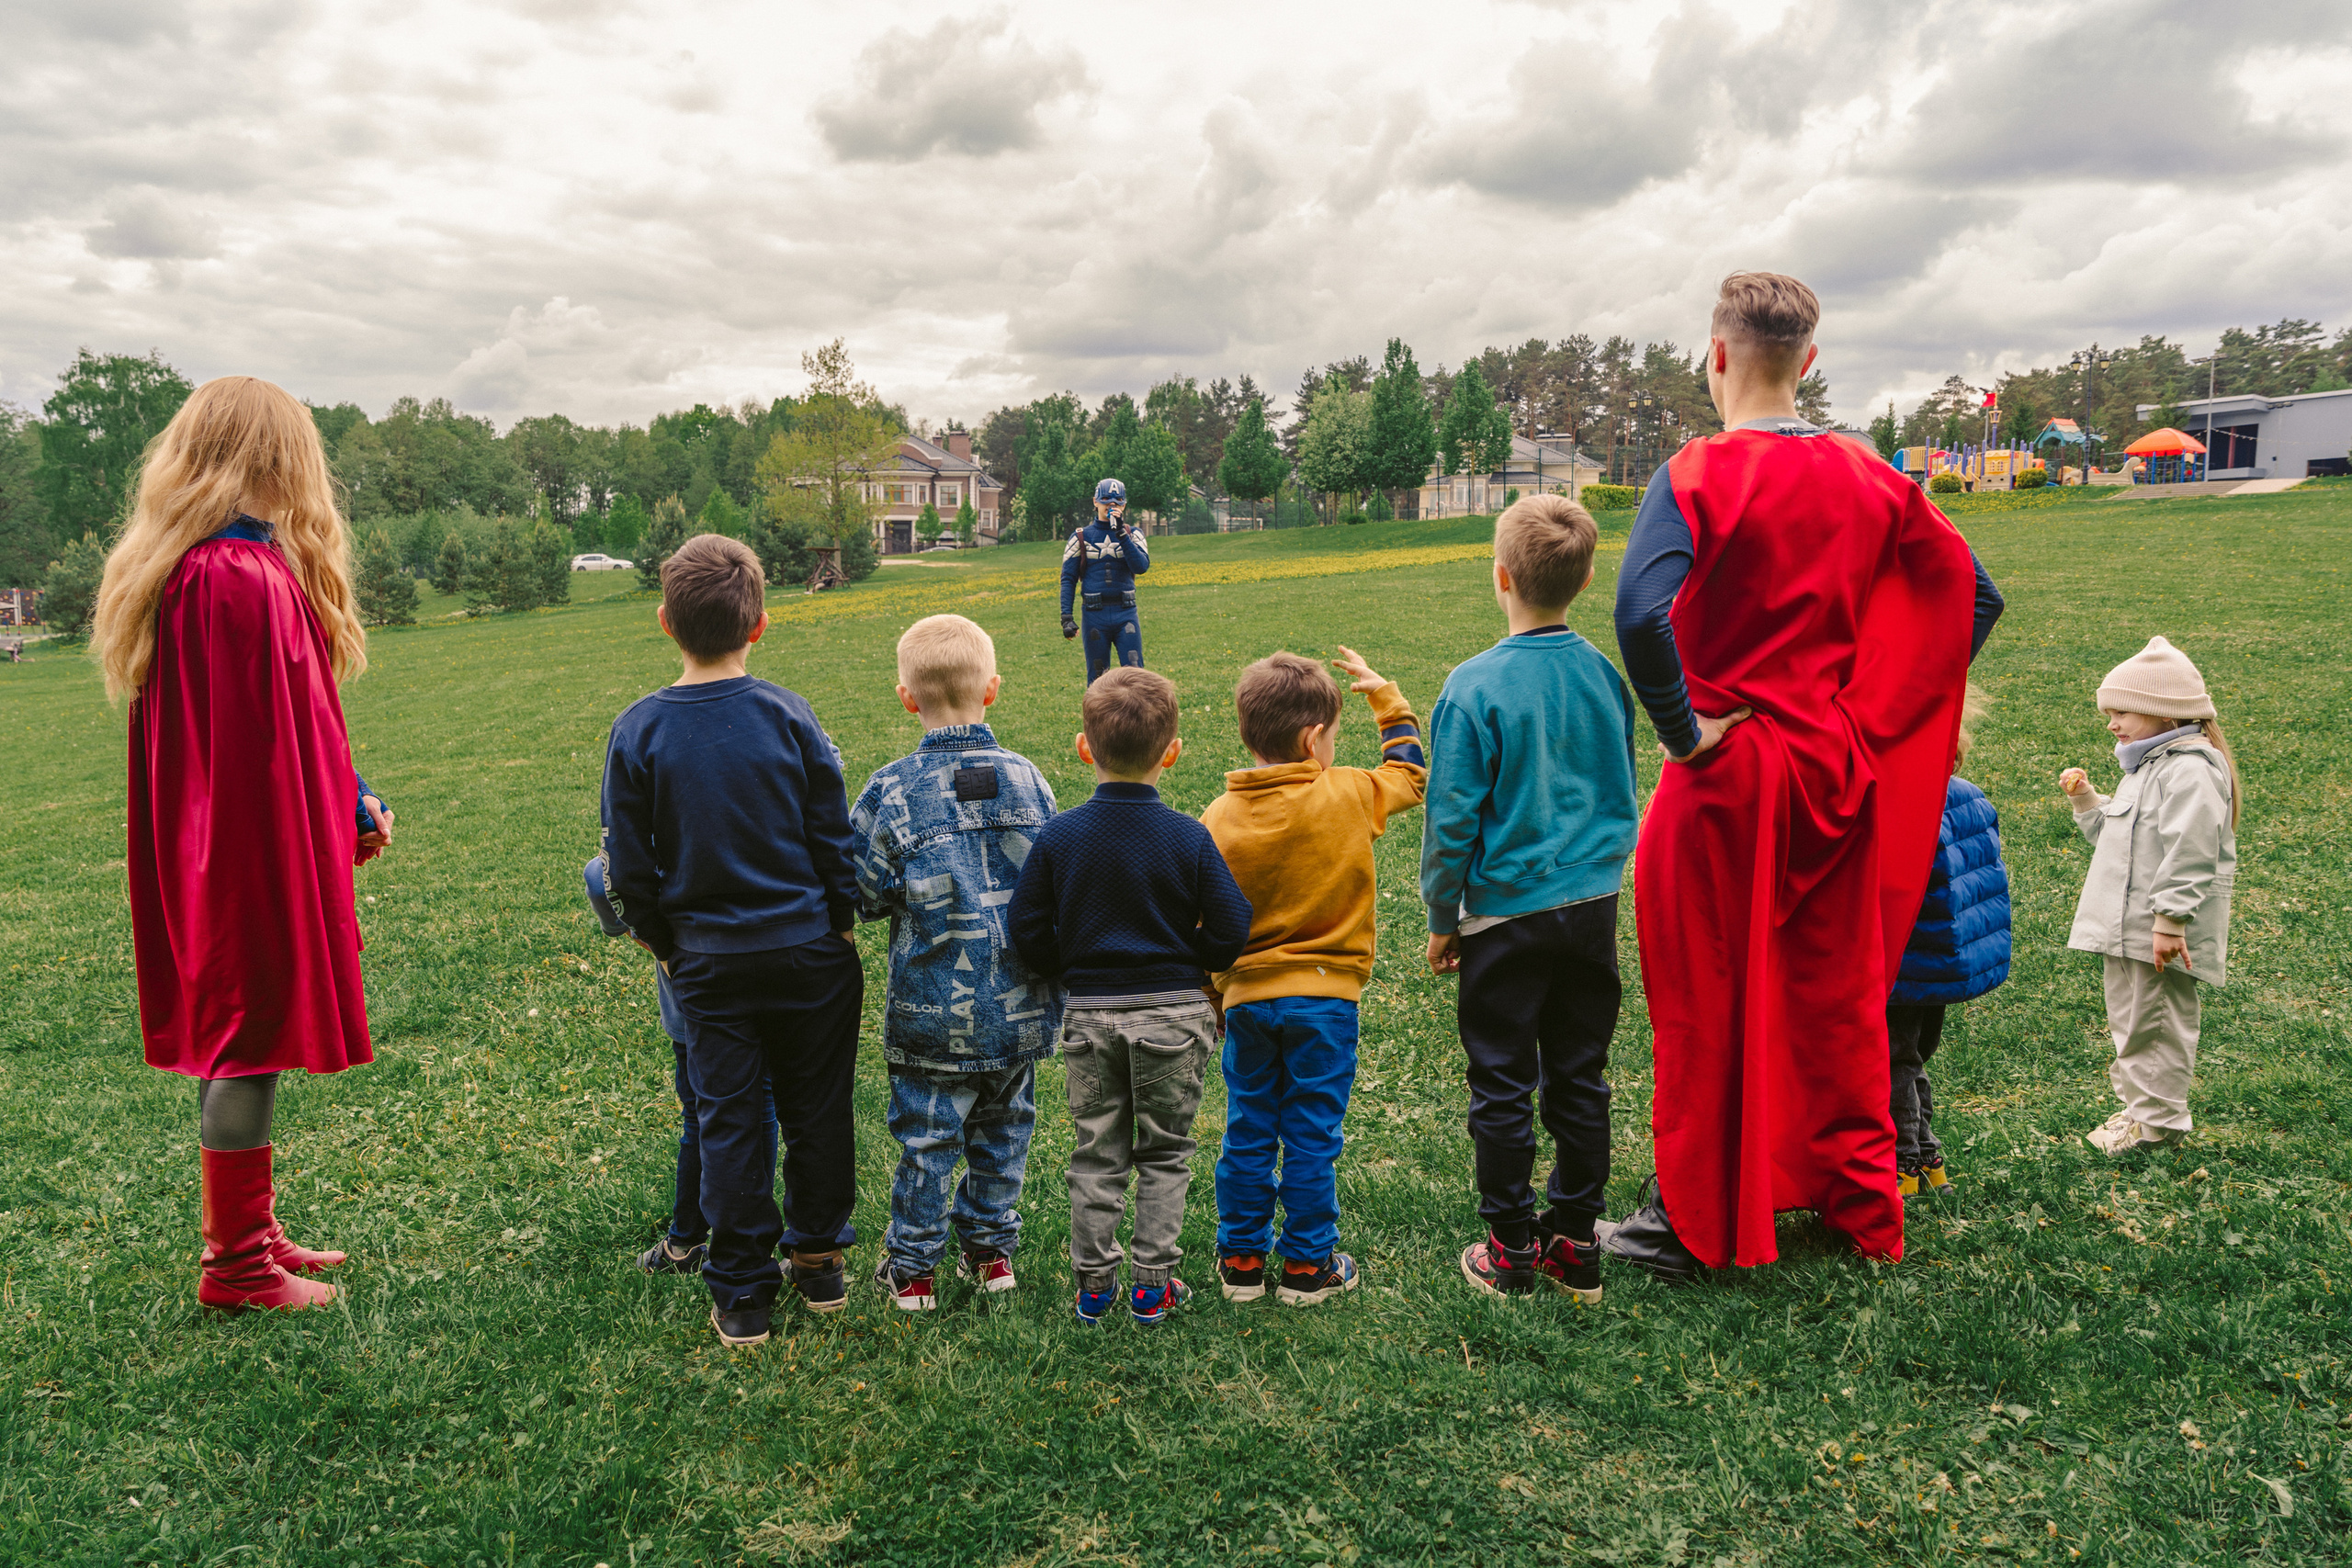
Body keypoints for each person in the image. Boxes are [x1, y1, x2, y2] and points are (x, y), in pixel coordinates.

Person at [1602, 272, 2003, 1280]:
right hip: (1833, 772)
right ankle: (1851, 1201)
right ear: (1809, 363)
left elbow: (1640, 615)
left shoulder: (1698, 469)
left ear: (1718, 354)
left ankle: (1694, 1222)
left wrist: (1686, 734)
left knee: (1705, 996)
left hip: (1728, 775)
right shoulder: (1872, 477)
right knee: (1833, 994)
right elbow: (1973, 597)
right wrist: (1863, 715)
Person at [92, 376, 394, 1313]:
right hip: (238, 855)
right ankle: (235, 1267)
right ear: (276, 456)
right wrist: (330, 816)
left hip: (233, 845)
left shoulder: (228, 568)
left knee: (247, 1034)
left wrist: (349, 799)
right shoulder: (227, 579)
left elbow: (299, 724)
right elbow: (259, 742)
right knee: (244, 1039)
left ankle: (253, 1228)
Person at [601, 534, 863, 1348]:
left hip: (709, 961)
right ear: (761, 625)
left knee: (730, 1119)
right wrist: (841, 914)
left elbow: (629, 864)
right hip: (809, 951)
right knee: (818, 1109)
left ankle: (745, 1291)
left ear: (664, 622)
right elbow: (831, 833)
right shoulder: (790, 713)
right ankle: (817, 1260)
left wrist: (660, 940)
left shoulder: (638, 730)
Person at [1419, 496, 1639, 1301]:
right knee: (1582, 1075)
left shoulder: (1472, 687)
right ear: (1583, 580)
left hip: (1504, 917)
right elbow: (1621, 779)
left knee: (1503, 1079)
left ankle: (1511, 1245)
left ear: (1500, 577)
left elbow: (1450, 823)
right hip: (1593, 909)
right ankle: (1575, 1240)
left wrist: (1444, 921)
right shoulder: (1604, 676)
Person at [1008, 667, 1252, 1327]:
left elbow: (1025, 928)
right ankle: (1152, 1285)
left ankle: (1093, 1284)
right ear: (1171, 751)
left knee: (1098, 1150)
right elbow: (1232, 926)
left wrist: (1072, 965)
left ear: (1084, 749)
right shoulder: (1188, 836)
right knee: (1165, 1150)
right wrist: (1186, 958)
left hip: (1091, 1014)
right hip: (1175, 1012)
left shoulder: (1060, 836)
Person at [1201, 647, 1427, 1307]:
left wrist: (1218, 991)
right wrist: (1387, 697)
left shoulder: (1218, 817)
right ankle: (1306, 1267)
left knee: (1247, 1126)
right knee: (1310, 1134)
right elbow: (1410, 775)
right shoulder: (1349, 791)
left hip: (1246, 1001)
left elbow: (1205, 923)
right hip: (1326, 1003)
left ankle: (1241, 1261)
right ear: (1312, 739)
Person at [850, 615, 1063, 1312]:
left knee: (929, 1137)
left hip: (932, 1014)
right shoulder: (1031, 783)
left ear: (907, 697)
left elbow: (864, 891)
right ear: (992, 690)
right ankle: (990, 1251)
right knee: (1006, 1129)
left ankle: (913, 1268)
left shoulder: (891, 791)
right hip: (1018, 1004)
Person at [2058, 637, 2239, 1156]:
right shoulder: (2146, 766)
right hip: (2128, 925)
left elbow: (2192, 850)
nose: (2112, 723)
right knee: (2131, 1021)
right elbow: (2122, 842)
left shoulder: (2191, 769)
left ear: (2163, 713)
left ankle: (2157, 1126)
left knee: (2156, 1024)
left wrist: (2171, 920)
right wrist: (2090, 802)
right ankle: (2142, 1111)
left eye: (2122, 712)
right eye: (2109, 713)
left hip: (2157, 928)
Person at [582, 853, 779, 1277]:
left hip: (693, 988)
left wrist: (653, 940)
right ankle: (754, 1241)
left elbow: (601, 877)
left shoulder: (662, 797)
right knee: (761, 1103)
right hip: (766, 964)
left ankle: (686, 1241)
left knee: (702, 1115)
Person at [1886, 685, 2011, 1199]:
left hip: (1905, 961)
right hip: (1944, 963)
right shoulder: (1968, 796)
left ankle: (1901, 1160)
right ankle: (1928, 1153)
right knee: (1913, 1055)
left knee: (1891, 1058)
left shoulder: (1906, 804)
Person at [1060, 478, 1150, 683]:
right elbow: (1068, 578)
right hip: (1094, 616)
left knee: (1137, 676)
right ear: (1095, 502)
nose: (1112, 506)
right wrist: (1066, 616)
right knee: (1098, 678)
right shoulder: (1080, 537)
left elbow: (1141, 567)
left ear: (1124, 505)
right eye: (1106, 501)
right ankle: (1096, 716)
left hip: (1125, 612)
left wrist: (1121, 533)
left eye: (1117, 502)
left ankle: (1141, 717)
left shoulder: (1133, 534)